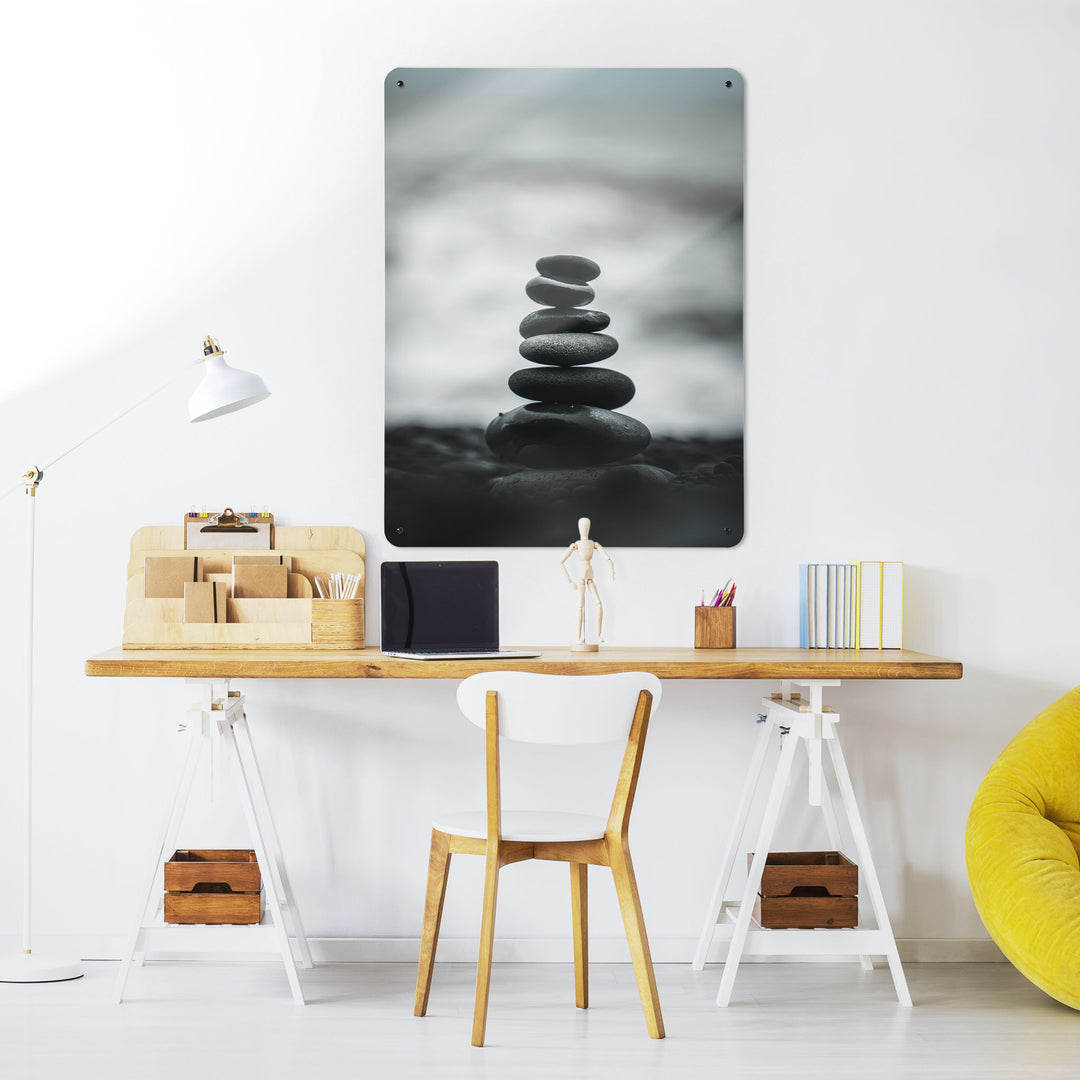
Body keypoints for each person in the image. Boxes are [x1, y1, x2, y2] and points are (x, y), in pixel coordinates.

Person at [559, 517, 615, 650]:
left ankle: (599, 634)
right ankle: (579, 637)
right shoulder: (576, 545)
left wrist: (612, 571)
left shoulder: (593, 544)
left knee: (599, 603)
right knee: (580, 606)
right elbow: (561, 562)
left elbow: (607, 557)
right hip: (581, 578)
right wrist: (569, 581)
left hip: (590, 577)